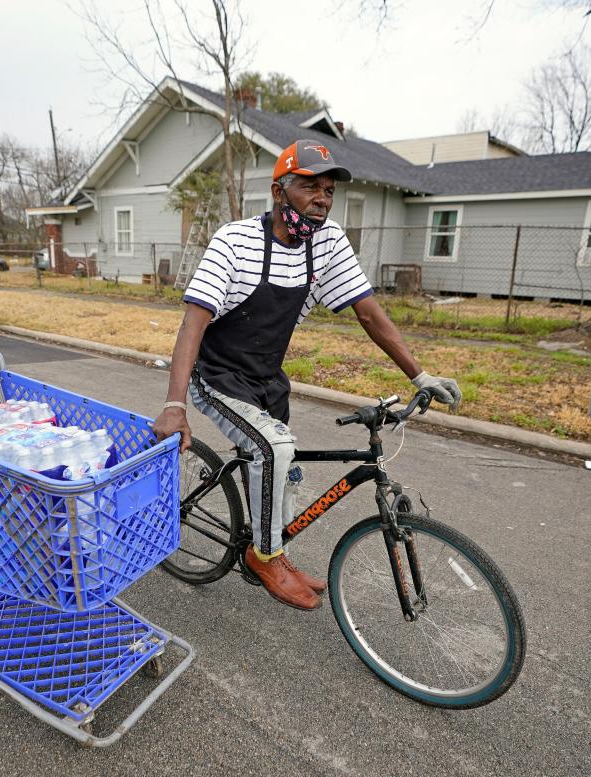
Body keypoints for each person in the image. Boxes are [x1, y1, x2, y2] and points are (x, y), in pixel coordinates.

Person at [151, 140, 462, 612]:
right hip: (218, 375)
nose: (322, 197)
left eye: (329, 190)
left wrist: (419, 376)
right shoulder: (235, 241)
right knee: (272, 449)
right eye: (310, 186)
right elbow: (192, 324)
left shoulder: (328, 242)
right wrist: (176, 404)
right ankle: (266, 557)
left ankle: (275, 548)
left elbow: (369, 313)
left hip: (267, 378)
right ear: (280, 191)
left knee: (287, 472)